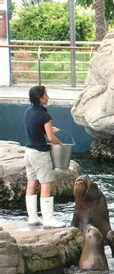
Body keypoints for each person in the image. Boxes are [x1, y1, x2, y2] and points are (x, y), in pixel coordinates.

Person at [24, 85, 66, 228]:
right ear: (41, 98)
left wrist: (48, 129)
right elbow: (50, 138)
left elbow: (35, 128)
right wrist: (61, 144)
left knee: (31, 182)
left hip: (28, 152)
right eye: (46, 94)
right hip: (40, 154)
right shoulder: (45, 115)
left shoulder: (28, 111)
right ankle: (48, 220)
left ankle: (33, 218)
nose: (48, 97)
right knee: (46, 184)